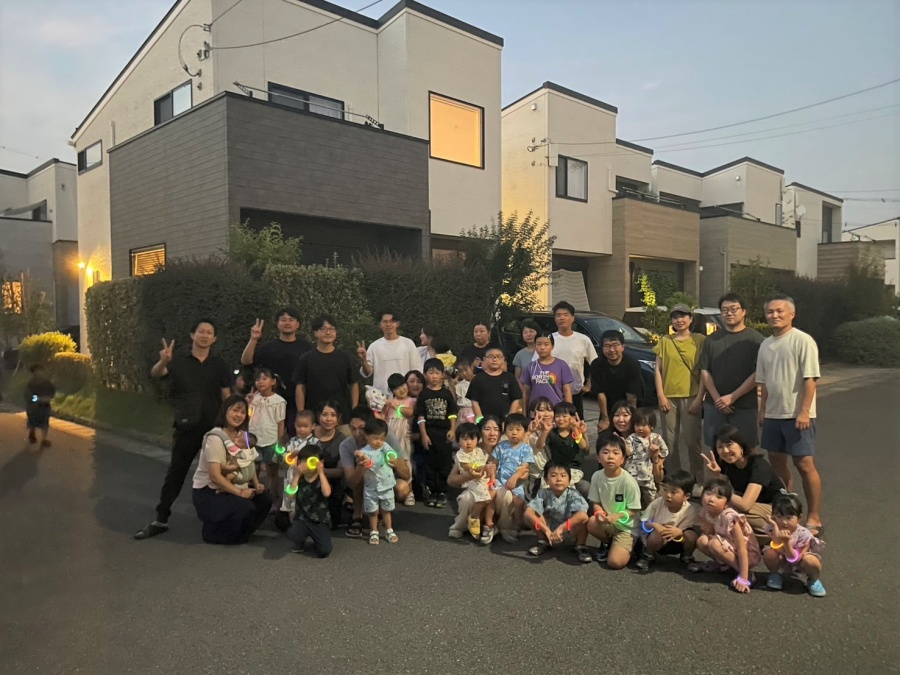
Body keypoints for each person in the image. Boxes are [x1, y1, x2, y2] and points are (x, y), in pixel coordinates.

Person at [135, 320, 231, 540]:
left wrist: (231, 426)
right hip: (187, 426)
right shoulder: (178, 361)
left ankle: (221, 517)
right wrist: (164, 360)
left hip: (214, 429)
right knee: (176, 473)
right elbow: (157, 373)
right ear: (192, 335)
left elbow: (226, 395)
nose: (205, 336)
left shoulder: (219, 364)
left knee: (220, 473)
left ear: (214, 339)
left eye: (209, 333)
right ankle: (161, 519)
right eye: (201, 332)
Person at [757, 294, 824, 539]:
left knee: (804, 464)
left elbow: (811, 379)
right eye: (770, 312)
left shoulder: (803, 340)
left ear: (791, 314)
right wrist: (762, 411)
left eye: (779, 311)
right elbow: (763, 383)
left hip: (797, 415)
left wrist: (804, 411)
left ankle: (814, 516)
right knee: (776, 462)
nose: (774, 315)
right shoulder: (765, 345)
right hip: (773, 414)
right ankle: (786, 509)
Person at [191, 395, 273, 545]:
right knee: (245, 507)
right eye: (235, 410)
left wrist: (256, 484)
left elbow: (249, 462)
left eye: (243, 412)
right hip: (210, 491)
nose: (239, 415)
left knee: (265, 499)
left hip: (233, 484)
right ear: (225, 411)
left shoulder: (242, 437)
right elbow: (215, 476)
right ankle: (215, 533)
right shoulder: (215, 438)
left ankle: (240, 534)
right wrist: (241, 493)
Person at [698, 293, 765, 450]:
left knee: (746, 449)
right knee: (716, 449)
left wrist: (733, 397)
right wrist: (718, 400)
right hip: (714, 406)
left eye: (734, 309)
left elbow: (759, 373)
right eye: (725, 310)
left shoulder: (756, 340)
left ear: (744, 312)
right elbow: (705, 371)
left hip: (745, 406)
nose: (729, 313)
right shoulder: (711, 339)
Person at [701, 425, 784, 538]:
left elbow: (745, 505)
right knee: (713, 507)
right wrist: (716, 475)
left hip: (776, 508)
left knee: (731, 513)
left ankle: (776, 535)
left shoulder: (758, 466)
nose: (725, 451)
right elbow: (720, 493)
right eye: (720, 447)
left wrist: (724, 497)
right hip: (755, 507)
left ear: (741, 446)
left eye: (729, 445)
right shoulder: (726, 463)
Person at [654, 304, 706, 483]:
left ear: (691, 319)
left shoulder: (700, 340)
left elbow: (704, 371)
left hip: (691, 396)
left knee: (692, 441)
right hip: (668, 397)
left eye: (683, 316)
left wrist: (699, 398)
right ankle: (674, 478)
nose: (679, 320)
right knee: (669, 441)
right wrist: (661, 395)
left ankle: (698, 479)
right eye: (675, 317)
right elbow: (658, 370)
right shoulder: (665, 341)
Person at [241, 308, 312, 435]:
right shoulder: (268, 348)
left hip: (298, 402)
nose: (287, 323)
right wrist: (253, 339)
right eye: (283, 320)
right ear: (277, 323)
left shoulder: (306, 348)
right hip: (271, 402)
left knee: (297, 437)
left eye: (291, 320)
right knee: (271, 437)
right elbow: (246, 361)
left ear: (298, 324)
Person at [690, 476, 762, 594]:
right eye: (708, 493)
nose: (711, 499)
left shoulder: (729, 517)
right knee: (702, 541)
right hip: (728, 545)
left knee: (714, 543)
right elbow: (711, 532)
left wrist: (743, 577)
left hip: (748, 554)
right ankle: (723, 564)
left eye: (719, 497)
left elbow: (742, 547)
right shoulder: (705, 512)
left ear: (727, 504)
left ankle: (746, 574)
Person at [294, 315, 359, 429]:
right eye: (323, 329)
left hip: (343, 416)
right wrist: (302, 413)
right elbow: (300, 386)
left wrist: (354, 410)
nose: (328, 332)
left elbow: (354, 383)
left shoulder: (345, 357)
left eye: (331, 329)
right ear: (315, 333)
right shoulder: (306, 358)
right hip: (314, 417)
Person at [586, 436, 641, 569]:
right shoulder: (597, 476)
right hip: (608, 522)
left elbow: (634, 509)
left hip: (626, 528)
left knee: (615, 563)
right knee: (592, 522)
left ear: (622, 459)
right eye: (605, 452)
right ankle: (607, 543)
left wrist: (618, 515)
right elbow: (596, 502)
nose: (610, 457)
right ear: (598, 458)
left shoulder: (628, 481)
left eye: (615, 453)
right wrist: (599, 513)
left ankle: (635, 543)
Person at [524, 461, 592, 563]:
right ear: (546, 480)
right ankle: (543, 541)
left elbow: (582, 515)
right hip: (549, 531)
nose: (559, 479)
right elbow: (528, 512)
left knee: (582, 518)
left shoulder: (573, 494)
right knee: (533, 514)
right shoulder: (543, 493)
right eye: (553, 475)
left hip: (569, 530)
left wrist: (561, 528)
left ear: (569, 480)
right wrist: (546, 530)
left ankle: (581, 546)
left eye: (563, 476)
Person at [762, 492, 826, 597]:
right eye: (779, 516)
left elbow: (794, 559)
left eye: (789, 517)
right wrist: (774, 525)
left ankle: (813, 580)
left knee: (811, 560)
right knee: (769, 553)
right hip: (782, 559)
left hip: (799, 562)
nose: (784, 522)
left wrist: (787, 542)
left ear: (799, 518)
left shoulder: (803, 534)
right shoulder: (773, 527)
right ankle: (775, 574)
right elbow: (776, 544)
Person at [634, 470, 700, 571]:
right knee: (657, 534)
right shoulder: (657, 503)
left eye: (673, 492)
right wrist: (654, 525)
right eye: (665, 490)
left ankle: (687, 556)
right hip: (658, 540)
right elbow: (643, 523)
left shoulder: (690, 510)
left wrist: (679, 532)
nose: (668, 495)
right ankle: (649, 555)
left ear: (686, 496)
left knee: (692, 535)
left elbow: (688, 529)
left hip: (678, 541)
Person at [449, 415, 502, 539]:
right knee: (468, 497)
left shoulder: (505, 448)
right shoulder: (470, 451)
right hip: (476, 485)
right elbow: (451, 480)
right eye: (487, 429)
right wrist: (470, 474)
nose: (492, 433)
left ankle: (500, 526)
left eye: (496, 429)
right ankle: (460, 526)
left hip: (496, 486)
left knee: (502, 494)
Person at [416, 358, 459, 508]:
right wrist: (423, 434)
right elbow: (420, 416)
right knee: (430, 463)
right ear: (425, 375)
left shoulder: (446, 393)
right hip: (429, 433)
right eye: (430, 373)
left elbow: (452, 413)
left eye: (437, 373)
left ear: (442, 375)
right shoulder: (423, 394)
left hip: (444, 433)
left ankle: (442, 492)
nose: (434, 376)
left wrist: (453, 429)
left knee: (444, 463)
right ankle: (432, 491)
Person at [488, 413, 533, 542]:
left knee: (518, 501)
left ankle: (517, 523)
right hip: (500, 481)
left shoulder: (526, 449)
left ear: (525, 431)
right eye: (510, 429)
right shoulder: (501, 446)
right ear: (505, 430)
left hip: (517, 483)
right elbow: (493, 464)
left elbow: (524, 467)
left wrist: (514, 478)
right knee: (491, 496)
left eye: (518, 430)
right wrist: (492, 478)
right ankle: (493, 523)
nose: (514, 433)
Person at [549, 301, 598, 420]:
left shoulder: (583, 340)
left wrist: (588, 385)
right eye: (558, 315)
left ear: (572, 318)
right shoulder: (549, 339)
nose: (562, 318)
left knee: (577, 426)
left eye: (565, 315)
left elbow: (595, 364)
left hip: (575, 393)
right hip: (552, 393)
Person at [354, 417, 399, 545]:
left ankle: (389, 530)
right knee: (373, 511)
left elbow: (391, 452)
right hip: (371, 486)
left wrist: (391, 457)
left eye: (382, 438)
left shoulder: (384, 446)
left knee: (386, 509)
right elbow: (365, 461)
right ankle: (374, 531)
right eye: (375, 438)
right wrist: (361, 458)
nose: (379, 442)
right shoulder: (365, 451)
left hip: (386, 484)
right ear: (367, 436)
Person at [247, 368, 286, 510]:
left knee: (273, 471)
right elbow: (246, 416)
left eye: (264, 378)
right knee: (253, 469)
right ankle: (254, 496)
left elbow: (280, 423)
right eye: (258, 379)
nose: (260, 382)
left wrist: (280, 442)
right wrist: (247, 402)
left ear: (273, 381)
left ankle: (273, 498)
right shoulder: (253, 398)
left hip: (271, 440)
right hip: (253, 439)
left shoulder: (279, 401)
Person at [533, 401, 590, 498]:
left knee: (572, 489)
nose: (561, 419)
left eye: (564, 416)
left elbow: (583, 446)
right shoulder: (552, 433)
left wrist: (575, 429)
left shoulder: (576, 432)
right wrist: (545, 431)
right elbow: (539, 445)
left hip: (573, 470)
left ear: (572, 417)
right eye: (558, 416)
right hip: (556, 468)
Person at [274, 409, 319, 532]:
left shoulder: (315, 442)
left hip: (306, 477)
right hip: (291, 475)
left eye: (305, 426)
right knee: (291, 503)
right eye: (299, 426)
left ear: (313, 426)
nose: (302, 429)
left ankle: (305, 527)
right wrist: (291, 456)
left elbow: (317, 460)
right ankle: (293, 526)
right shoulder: (292, 441)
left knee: (304, 501)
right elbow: (284, 458)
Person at [286, 444, 333, 558]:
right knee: (292, 534)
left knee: (324, 551)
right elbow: (290, 495)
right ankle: (300, 541)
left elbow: (327, 493)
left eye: (311, 461)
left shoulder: (322, 479)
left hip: (320, 520)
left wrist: (321, 472)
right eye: (304, 462)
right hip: (302, 518)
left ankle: (318, 541)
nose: (308, 465)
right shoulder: (299, 478)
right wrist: (297, 475)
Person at [357, 311, 421, 395]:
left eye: (392, 321)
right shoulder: (374, 346)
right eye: (385, 322)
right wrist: (364, 360)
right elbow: (367, 373)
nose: (388, 324)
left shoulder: (408, 343)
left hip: (404, 395)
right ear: (380, 325)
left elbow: (416, 370)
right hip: (380, 396)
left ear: (397, 324)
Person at [590, 330, 642, 430]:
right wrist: (605, 418)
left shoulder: (632, 364)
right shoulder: (597, 364)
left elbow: (632, 396)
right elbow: (600, 393)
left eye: (615, 345)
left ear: (622, 347)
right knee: (604, 431)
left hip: (628, 403)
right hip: (608, 404)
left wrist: (631, 418)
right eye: (607, 346)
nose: (611, 350)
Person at [311, 401, 349, 528]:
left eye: (333, 415)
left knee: (330, 523)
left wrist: (320, 471)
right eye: (324, 414)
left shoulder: (342, 439)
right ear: (318, 416)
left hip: (332, 485)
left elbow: (340, 472)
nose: (329, 419)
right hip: (308, 483)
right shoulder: (308, 433)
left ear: (338, 418)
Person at [339, 405, 374, 538]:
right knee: (359, 477)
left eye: (362, 428)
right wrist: (360, 467)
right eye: (353, 429)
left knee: (402, 488)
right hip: (361, 481)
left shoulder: (384, 437)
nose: (357, 433)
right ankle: (357, 515)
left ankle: (382, 510)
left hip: (385, 477)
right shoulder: (346, 445)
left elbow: (405, 472)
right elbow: (351, 482)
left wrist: (393, 460)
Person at [454, 422, 493, 540]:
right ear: (458, 441)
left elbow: (488, 462)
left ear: (477, 440)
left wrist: (490, 473)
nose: (469, 443)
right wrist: (482, 468)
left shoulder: (479, 451)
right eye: (465, 439)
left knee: (491, 495)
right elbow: (468, 467)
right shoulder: (460, 454)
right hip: (471, 481)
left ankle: (487, 523)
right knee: (485, 498)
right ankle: (474, 517)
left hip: (483, 480)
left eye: (472, 439)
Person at [625, 407, 669, 508]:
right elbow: (628, 452)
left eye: (644, 425)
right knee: (632, 497)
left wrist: (657, 455)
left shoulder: (656, 438)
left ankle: (651, 513)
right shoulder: (632, 437)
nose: (640, 428)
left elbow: (665, 451)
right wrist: (624, 444)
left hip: (648, 476)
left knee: (650, 499)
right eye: (637, 425)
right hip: (632, 474)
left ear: (652, 426)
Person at [519, 331, 574, 411]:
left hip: (556, 409)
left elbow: (567, 390)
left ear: (552, 346)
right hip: (536, 411)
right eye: (539, 344)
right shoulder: (530, 367)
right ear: (535, 346)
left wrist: (568, 411)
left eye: (546, 344)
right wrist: (524, 412)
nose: (542, 347)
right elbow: (526, 392)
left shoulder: (561, 365)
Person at [468, 347, 522, 422]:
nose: (494, 359)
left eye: (498, 356)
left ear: (503, 360)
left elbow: (515, 399)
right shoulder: (478, 379)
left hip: (505, 420)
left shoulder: (510, 378)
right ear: (484, 359)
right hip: (484, 420)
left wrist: (510, 417)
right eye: (491, 356)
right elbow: (474, 401)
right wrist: (479, 418)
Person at [383, 373, 416, 488]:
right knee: (389, 459)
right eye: (397, 388)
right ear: (392, 391)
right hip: (390, 436)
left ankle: (409, 489)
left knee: (406, 460)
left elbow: (410, 412)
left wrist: (396, 406)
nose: (401, 389)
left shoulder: (412, 400)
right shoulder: (389, 401)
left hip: (404, 437)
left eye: (402, 385)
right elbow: (382, 417)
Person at [24, 363, 55, 447]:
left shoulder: (47, 383)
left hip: (44, 405)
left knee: (44, 422)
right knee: (32, 420)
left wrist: (43, 399)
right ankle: (32, 433)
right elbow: (28, 395)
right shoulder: (31, 383)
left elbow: (51, 394)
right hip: (33, 406)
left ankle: (44, 439)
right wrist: (35, 399)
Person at [453, 356, 476, 424]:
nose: (464, 373)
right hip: (462, 413)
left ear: (472, 367)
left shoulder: (479, 381)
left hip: (475, 411)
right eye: (461, 371)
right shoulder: (459, 385)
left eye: (466, 370)